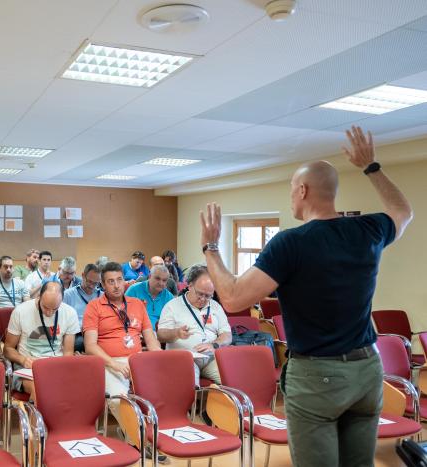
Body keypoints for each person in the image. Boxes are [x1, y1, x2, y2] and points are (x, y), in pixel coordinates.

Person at [198, 126, 413, 467]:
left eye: (290, 190)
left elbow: (234, 298)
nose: (290, 197)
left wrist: (211, 246)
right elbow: (403, 212)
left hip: (318, 376)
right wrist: (371, 166)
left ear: (302, 190)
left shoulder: (291, 243)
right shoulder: (367, 230)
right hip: (367, 369)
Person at [83, 262, 161, 428]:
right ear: (103, 285)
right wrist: (114, 364)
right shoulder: (94, 307)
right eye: (111, 281)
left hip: (138, 361)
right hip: (109, 362)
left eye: (119, 280)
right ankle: (137, 440)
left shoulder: (137, 304)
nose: (117, 285)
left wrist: (159, 360)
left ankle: (150, 433)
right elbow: (90, 346)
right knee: (120, 401)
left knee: (160, 393)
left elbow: (151, 340)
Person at [157, 265, 231, 385]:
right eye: (200, 294)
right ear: (190, 286)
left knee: (232, 379)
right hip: (185, 359)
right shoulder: (172, 306)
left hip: (211, 358)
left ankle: (219, 403)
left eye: (208, 296)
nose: (203, 299)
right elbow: (161, 335)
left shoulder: (215, 306)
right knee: (189, 387)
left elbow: (227, 335)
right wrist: (176, 333)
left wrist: (215, 345)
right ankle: (193, 403)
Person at [3, 282, 79, 399]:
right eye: (45, 307)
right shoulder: (21, 311)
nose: (49, 313)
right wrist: (23, 360)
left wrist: (62, 369)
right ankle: (38, 418)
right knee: (41, 390)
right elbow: (7, 349)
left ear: (62, 301)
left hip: (56, 367)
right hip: (26, 369)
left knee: (76, 387)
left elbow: (68, 352)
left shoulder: (70, 313)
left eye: (54, 309)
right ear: (39, 296)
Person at [63, 263, 101, 352]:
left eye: (96, 283)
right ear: (83, 275)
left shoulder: (102, 296)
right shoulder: (68, 294)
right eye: (89, 281)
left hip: (99, 333)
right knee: (80, 343)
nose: (92, 286)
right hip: (77, 334)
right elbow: (61, 320)